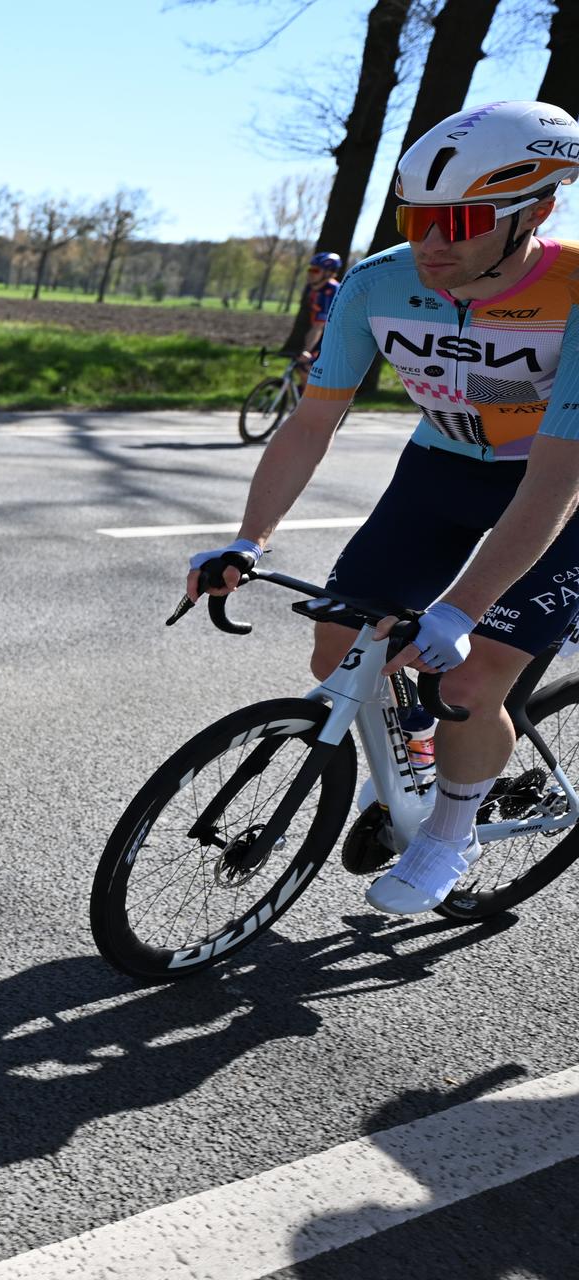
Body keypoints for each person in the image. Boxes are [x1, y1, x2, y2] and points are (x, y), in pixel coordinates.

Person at [187, 100, 579, 914]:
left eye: (461, 220)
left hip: (560, 489)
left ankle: (449, 832)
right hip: (442, 467)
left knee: (470, 677)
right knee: (339, 648)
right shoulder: (378, 282)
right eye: (417, 217)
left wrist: (461, 610)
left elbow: (552, 481)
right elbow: (311, 421)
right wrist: (246, 538)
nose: (432, 244)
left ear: (535, 210)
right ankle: (423, 762)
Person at [298, 250, 344, 368]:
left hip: (339, 340)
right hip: (324, 336)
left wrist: (307, 351)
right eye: (310, 269)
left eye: (315, 270)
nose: (310, 273)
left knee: (308, 368)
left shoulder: (330, 292)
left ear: (328, 274)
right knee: (300, 368)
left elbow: (318, 327)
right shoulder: (313, 288)